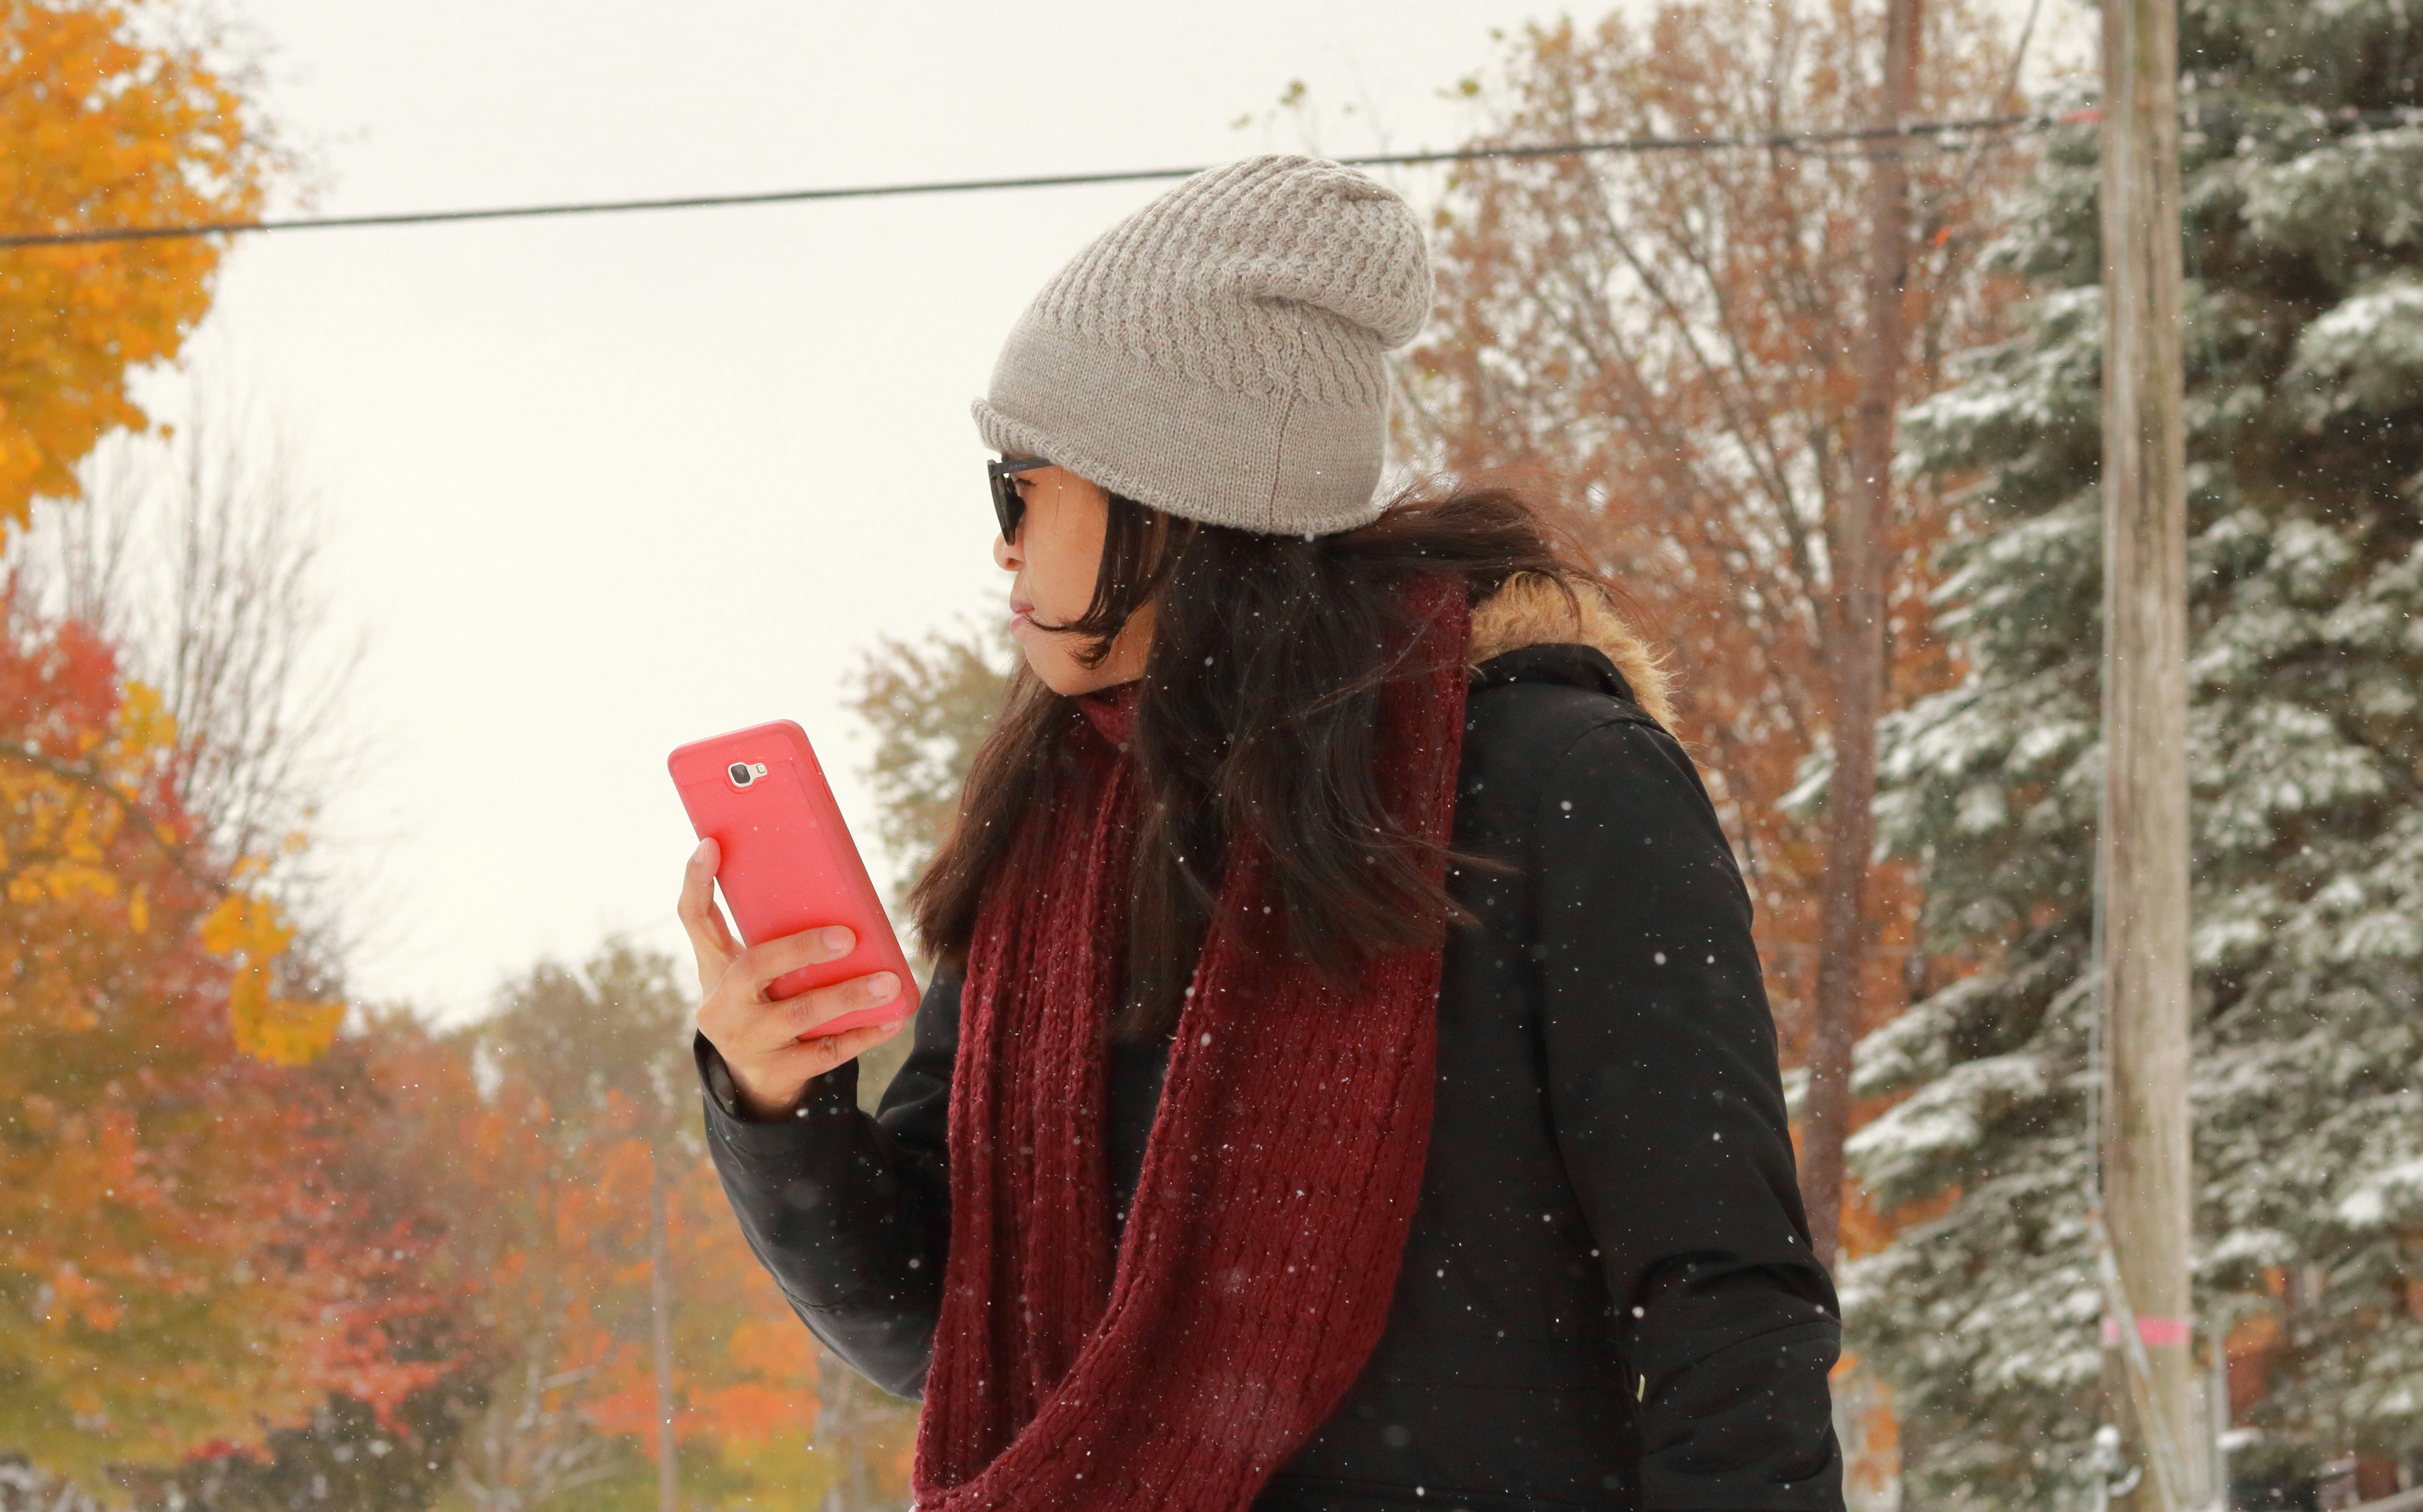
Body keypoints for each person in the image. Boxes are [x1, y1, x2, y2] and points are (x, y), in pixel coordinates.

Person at [678, 156, 1842, 1511]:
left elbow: (1724, 1303)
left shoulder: (1555, 784)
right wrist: (777, 1104)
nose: (999, 548)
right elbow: (939, 1332)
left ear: (1165, 499)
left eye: (1019, 489)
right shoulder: (1058, 832)